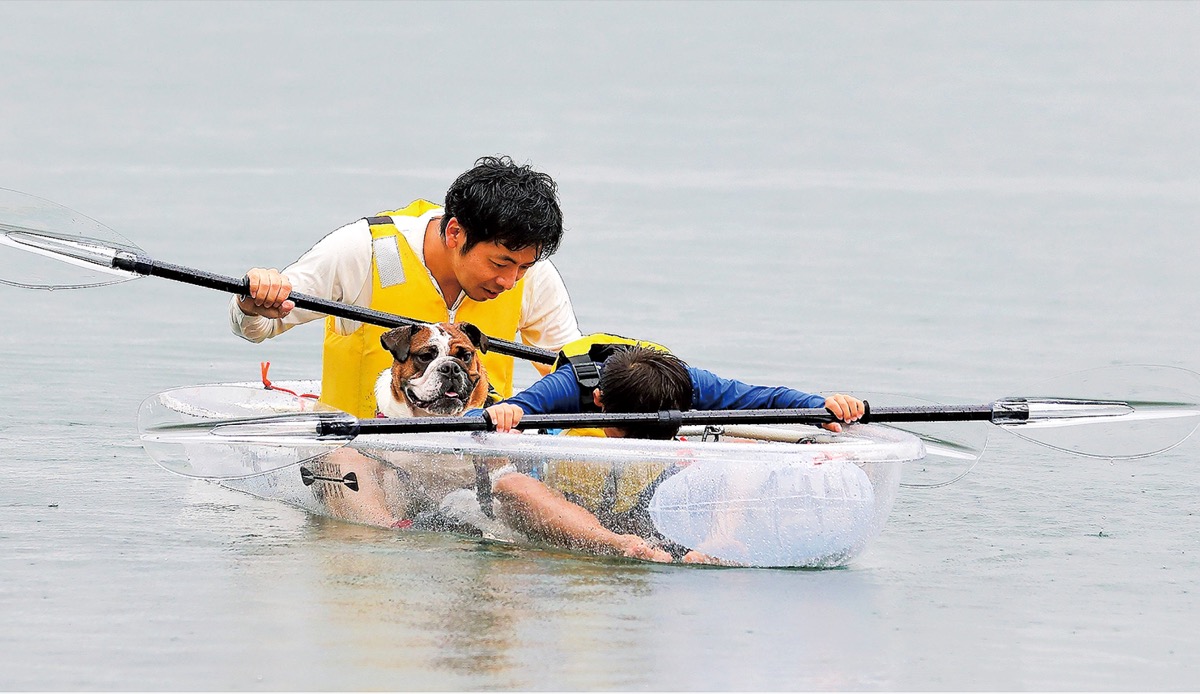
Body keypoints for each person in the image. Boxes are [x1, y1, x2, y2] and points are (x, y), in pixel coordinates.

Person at [230, 156, 582, 418]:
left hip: (476, 456)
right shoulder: (362, 250)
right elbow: (258, 327)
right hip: (360, 453)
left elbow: (573, 373)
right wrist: (252, 301)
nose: (510, 280)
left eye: (523, 268)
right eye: (500, 263)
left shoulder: (535, 274)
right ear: (455, 233)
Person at [477, 338, 866, 563]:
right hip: (570, 491)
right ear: (598, 401)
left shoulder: (687, 384)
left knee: (743, 449)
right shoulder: (569, 386)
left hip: (653, 491)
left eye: (655, 436)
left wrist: (821, 407)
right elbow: (497, 414)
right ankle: (617, 544)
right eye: (631, 435)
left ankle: (719, 539)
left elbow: (766, 398)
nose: (642, 447)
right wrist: (505, 412)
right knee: (511, 485)